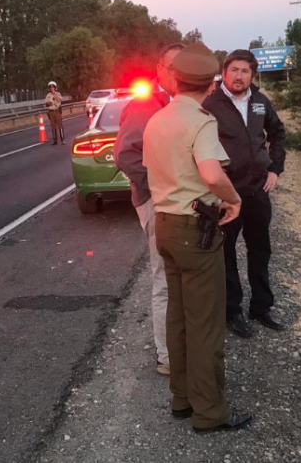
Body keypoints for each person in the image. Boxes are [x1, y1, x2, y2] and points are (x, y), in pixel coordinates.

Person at [143, 43, 252, 432]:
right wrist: (233, 198)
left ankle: (182, 397)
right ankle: (210, 412)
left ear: (175, 79)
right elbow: (210, 173)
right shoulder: (201, 121)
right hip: (196, 230)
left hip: (166, 227)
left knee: (179, 318)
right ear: (210, 84)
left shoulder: (157, 120)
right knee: (205, 322)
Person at [203, 50, 287, 338]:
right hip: (227, 194)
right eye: (234, 70)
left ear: (253, 74)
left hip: (257, 191)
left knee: (260, 249)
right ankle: (232, 311)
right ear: (224, 72)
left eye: (245, 71)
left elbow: (277, 133)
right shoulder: (210, 104)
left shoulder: (260, 102)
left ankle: (261, 308)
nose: (239, 76)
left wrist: (275, 169)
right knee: (226, 254)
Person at [113, 43, 185, 376]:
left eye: (183, 66)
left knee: (181, 277)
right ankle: (168, 356)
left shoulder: (182, 104)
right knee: (164, 279)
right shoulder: (145, 106)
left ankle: (181, 344)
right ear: (159, 70)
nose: (177, 73)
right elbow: (125, 156)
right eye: (171, 67)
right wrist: (156, 190)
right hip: (158, 202)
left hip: (180, 202)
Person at [45, 81, 65, 145]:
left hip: (57, 111)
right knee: (53, 127)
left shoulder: (58, 93)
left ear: (55, 87)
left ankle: (62, 140)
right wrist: (49, 103)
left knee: (60, 126)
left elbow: (59, 100)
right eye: (50, 87)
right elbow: (46, 103)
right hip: (51, 112)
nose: (51, 88)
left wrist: (54, 94)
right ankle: (55, 140)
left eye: (53, 87)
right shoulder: (48, 95)